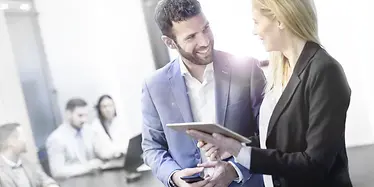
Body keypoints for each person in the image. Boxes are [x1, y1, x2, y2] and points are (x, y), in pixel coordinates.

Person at [187, 0, 353, 187]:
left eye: (257, 22)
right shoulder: (281, 68)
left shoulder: (324, 71)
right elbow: (278, 138)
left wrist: (239, 151)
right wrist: (231, 144)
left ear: (280, 20)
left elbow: (315, 164)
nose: (254, 31)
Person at [141, 0, 265, 187]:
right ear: (170, 42)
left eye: (206, 28)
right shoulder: (154, 86)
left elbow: (270, 134)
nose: (205, 41)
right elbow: (152, 147)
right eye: (191, 37)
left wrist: (234, 170)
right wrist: (175, 177)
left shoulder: (247, 69)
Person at [46, 98, 103, 187]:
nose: (84, 120)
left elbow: (99, 152)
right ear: (68, 114)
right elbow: (57, 171)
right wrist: (87, 167)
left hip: (94, 180)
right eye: (80, 116)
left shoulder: (88, 131)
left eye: (86, 115)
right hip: (72, 183)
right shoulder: (56, 139)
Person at [0, 122, 59, 187]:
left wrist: (52, 185)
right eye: (22, 137)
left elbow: (45, 180)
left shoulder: (27, 162)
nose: (25, 140)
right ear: (12, 142)